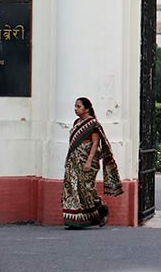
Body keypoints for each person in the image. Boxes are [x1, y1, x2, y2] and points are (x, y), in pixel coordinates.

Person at [62, 97, 123, 229]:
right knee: (72, 187)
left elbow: (95, 144)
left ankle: (100, 208)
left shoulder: (93, 124)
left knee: (87, 187)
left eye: (79, 107)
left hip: (87, 160)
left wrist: (89, 161)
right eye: (75, 106)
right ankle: (76, 219)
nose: (76, 109)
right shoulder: (76, 122)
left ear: (87, 108)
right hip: (74, 160)